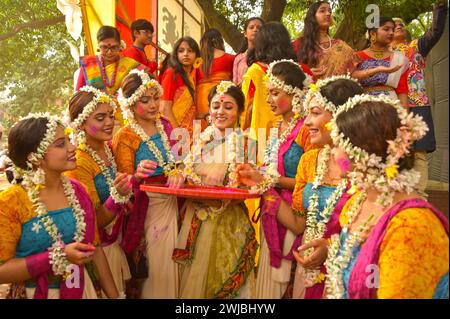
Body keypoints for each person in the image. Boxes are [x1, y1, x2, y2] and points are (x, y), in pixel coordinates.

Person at [324, 94, 448, 299]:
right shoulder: (358, 201)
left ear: (363, 152)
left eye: (337, 144)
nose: (331, 152)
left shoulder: (412, 226)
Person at [0, 114, 122, 299]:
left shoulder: (78, 191)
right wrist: (57, 257)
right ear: (35, 158)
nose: (72, 147)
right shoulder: (12, 201)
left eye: (68, 140)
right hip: (37, 293)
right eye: (60, 144)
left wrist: (115, 297)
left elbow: (95, 249)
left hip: (84, 289)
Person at [173, 81, 258, 298]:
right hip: (195, 221)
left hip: (229, 225)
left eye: (228, 107)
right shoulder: (200, 139)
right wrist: (179, 173)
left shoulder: (247, 143)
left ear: (239, 111)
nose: (220, 112)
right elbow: (187, 170)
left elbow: (244, 187)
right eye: (215, 106)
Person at [237, 60, 312, 298]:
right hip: (272, 207)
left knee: (286, 279)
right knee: (268, 278)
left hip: (296, 212)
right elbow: (270, 169)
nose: (268, 100)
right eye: (268, 93)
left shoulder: (306, 130)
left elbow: (310, 182)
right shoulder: (276, 127)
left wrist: (271, 180)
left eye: (274, 93)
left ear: (294, 94)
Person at [290, 76, 364, 299]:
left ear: (341, 116)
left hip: (344, 270)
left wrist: (332, 248)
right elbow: (299, 223)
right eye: (307, 114)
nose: (306, 122)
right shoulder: (310, 160)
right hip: (308, 266)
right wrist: (263, 188)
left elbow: (372, 230)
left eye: (315, 113)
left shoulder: (363, 167)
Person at [114, 69, 181, 298]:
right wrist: (137, 175)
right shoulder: (125, 135)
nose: (153, 105)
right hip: (147, 206)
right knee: (157, 265)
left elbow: (181, 161)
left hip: (175, 199)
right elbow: (123, 181)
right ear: (131, 104)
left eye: (155, 98)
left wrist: (177, 172)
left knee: (175, 259)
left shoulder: (166, 125)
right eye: (145, 100)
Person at [65, 87, 133, 298]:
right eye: (100, 117)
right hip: (98, 251)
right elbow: (92, 223)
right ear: (81, 123)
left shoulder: (106, 148)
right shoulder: (78, 162)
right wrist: (118, 197)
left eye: (111, 116)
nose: (109, 122)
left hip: (116, 242)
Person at [391, 0, 448, 196]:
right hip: (393, 106)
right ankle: (397, 198)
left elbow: (435, 31)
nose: (398, 27)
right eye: (393, 25)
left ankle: (419, 198)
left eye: (401, 25)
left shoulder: (417, 47)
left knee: (419, 153)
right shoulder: (382, 55)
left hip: (418, 106)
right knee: (394, 152)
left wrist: (440, 6)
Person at [241, 22, 313, 140]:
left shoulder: (254, 71)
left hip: (262, 137)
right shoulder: (302, 70)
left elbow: (244, 112)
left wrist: (242, 144)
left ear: (260, 45)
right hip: (299, 135)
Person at [351, 17, 409, 107]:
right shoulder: (358, 56)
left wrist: (405, 117)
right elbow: (350, 80)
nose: (391, 33)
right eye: (386, 29)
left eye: (392, 30)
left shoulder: (399, 58)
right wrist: (376, 70)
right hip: (365, 106)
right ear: (373, 33)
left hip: (391, 106)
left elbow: (402, 90)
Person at [76, 26, 145, 96]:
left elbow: (147, 83)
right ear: (98, 46)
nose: (109, 52)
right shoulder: (88, 64)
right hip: (93, 106)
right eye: (104, 47)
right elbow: (78, 95)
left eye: (113, 47)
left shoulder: (130, 65)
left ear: (119, 46)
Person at [293, 1, 354, 79]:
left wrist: (372, 70)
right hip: (310, 89)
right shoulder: (299, 44)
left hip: (338, 89)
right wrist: (307, 73)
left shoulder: (340, 45)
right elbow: (287, 71)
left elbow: (353, 72)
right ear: (312, 17)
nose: (328, 14)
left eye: (330, 11)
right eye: (322, 11)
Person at [160, 36, 202, 137]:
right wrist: (177, 135)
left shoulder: (192, 75)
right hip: (175, 132)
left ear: (196, 55)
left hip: (190, 130)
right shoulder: (172, 73)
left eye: (190, 51)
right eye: (181, 51)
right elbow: (165, 108)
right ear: (176, 54)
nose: (186, 54)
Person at [196, 28, 235, 130]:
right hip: (222, 98)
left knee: (201, 135)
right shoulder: (231, 58)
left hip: (200, 101)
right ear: (219, 41)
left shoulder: (196, 61)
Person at [232, 17, 264, 86]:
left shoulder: (267, 55)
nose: (255, 29)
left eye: (259, 28)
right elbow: (235, 83)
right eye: (251, 27)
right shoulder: (239, 58)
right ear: (245, 34)